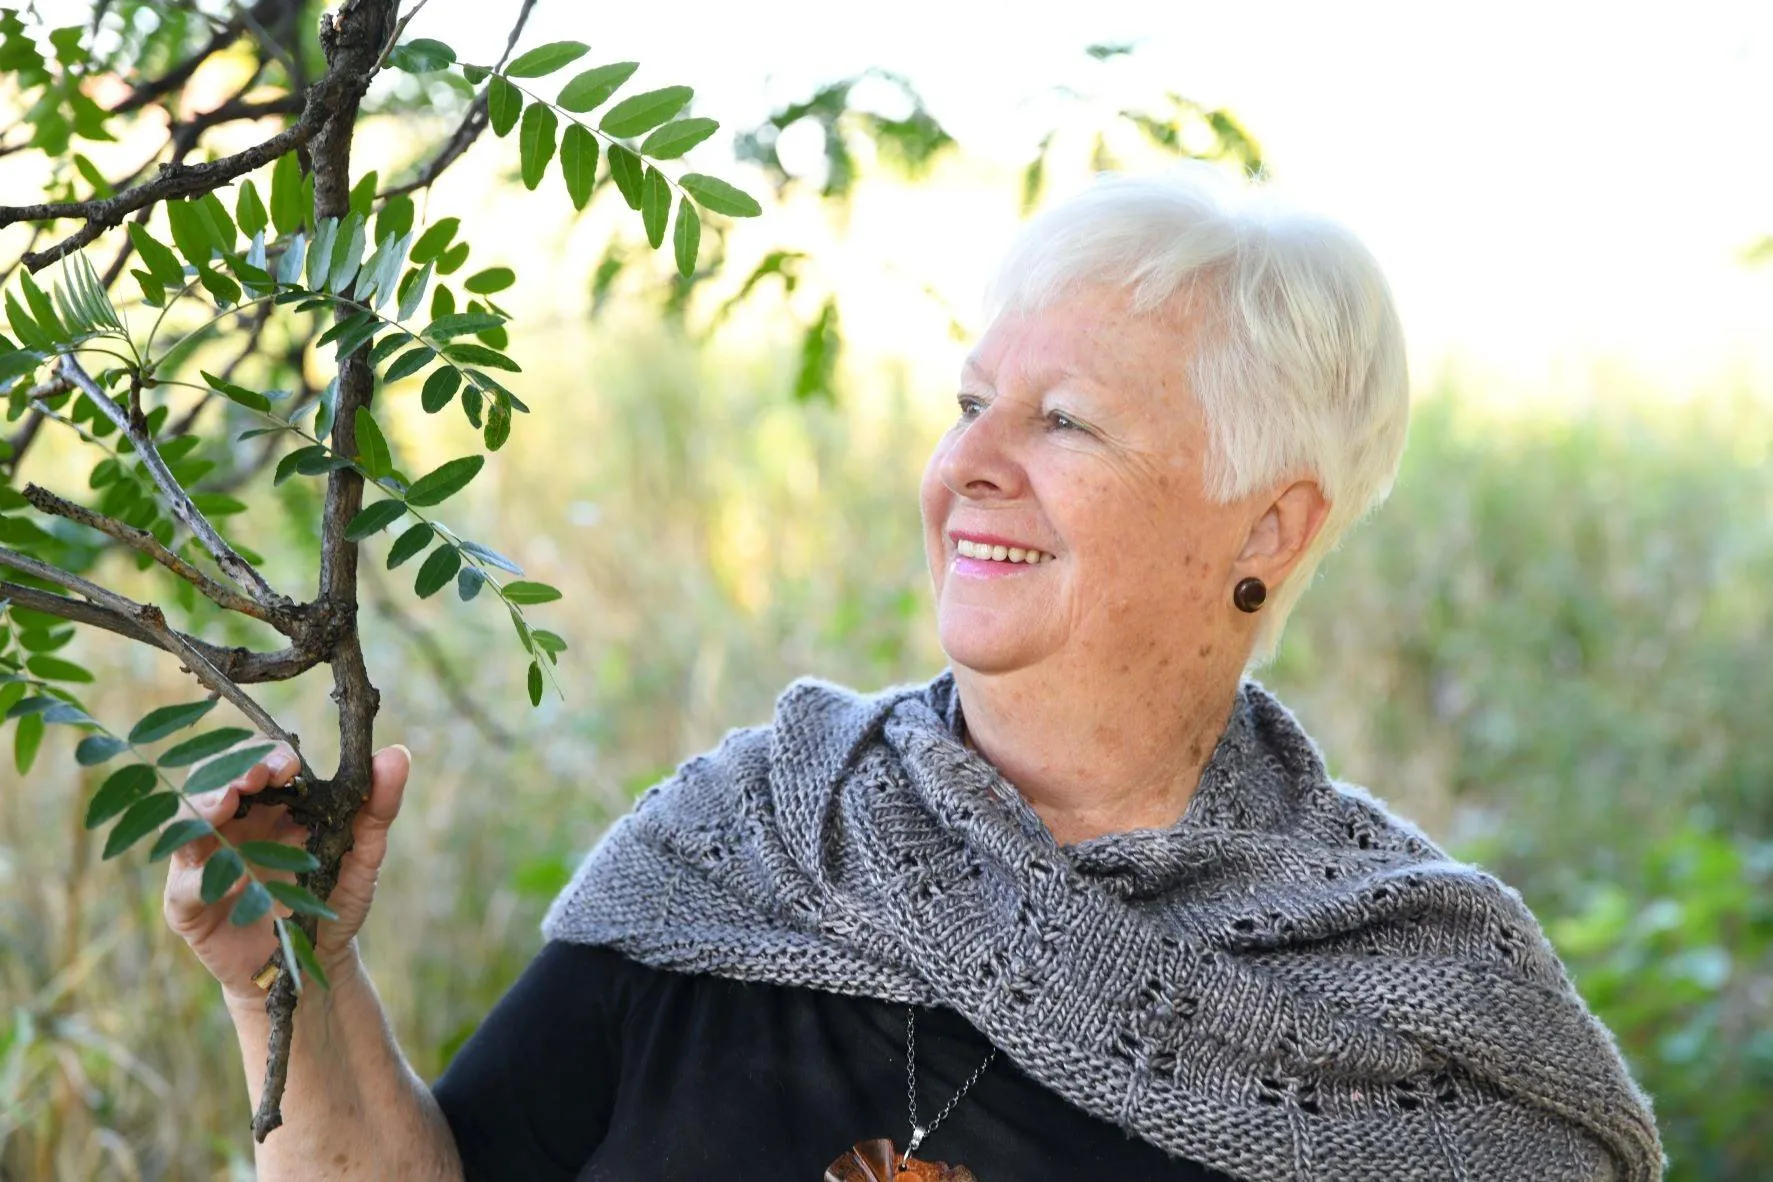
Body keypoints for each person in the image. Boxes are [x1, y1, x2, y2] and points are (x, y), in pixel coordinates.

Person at [165, 163, 1665, 1180]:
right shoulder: (750, 836)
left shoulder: (1420, 1003)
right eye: (967, 403)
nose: (967, 468)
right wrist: (297, 970)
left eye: (1063, 422)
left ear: (1268, 520)